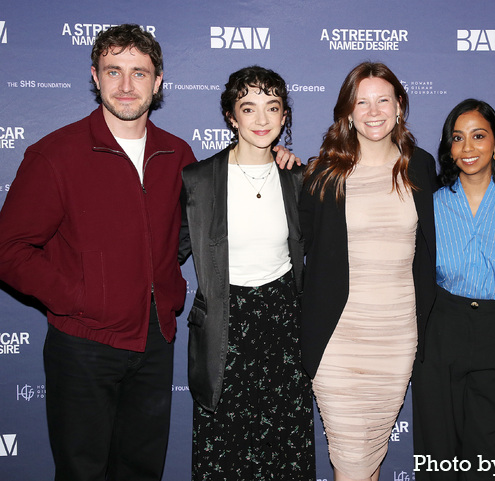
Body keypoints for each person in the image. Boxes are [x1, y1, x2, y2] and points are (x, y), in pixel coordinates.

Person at [0, 24, 197, 481]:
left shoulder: (177, 153)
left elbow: (188, 229)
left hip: (155, 341)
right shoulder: (55, 154)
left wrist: (166, 286)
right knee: (82, 471)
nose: (126, 86)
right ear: (95, 77)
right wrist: (78, 296)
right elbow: (8, 247)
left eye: (139, 73)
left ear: (158, 81)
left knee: (141, 470)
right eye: (114, 71)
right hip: (83, 343)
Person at [299, 61, 437, 481]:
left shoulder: (421, 167)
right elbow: (300, 244)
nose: (373, 111)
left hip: (397, 338)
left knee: (370, 458)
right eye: (362, 102)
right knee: (352, 461)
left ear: (399, 107)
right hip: (338, 340)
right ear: (347, 111)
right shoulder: (324, 174)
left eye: (383, 100)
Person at [178, 65, 314, 480]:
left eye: (272, 108)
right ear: (231, 117)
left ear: (284, 116)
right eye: (248, 108)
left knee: (284, 451)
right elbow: (167, 249)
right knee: (225, 454)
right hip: (225, 325)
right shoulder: (198, 179)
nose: (261, 120)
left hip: (283, 325)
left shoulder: (297, 179)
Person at [412, 99, 495, 481]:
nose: (468, 148)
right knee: (437, 455)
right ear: (448, 148)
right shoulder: (430, 204)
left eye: (479, 136)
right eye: (458, 138)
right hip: (441, 330)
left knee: (492, 460)